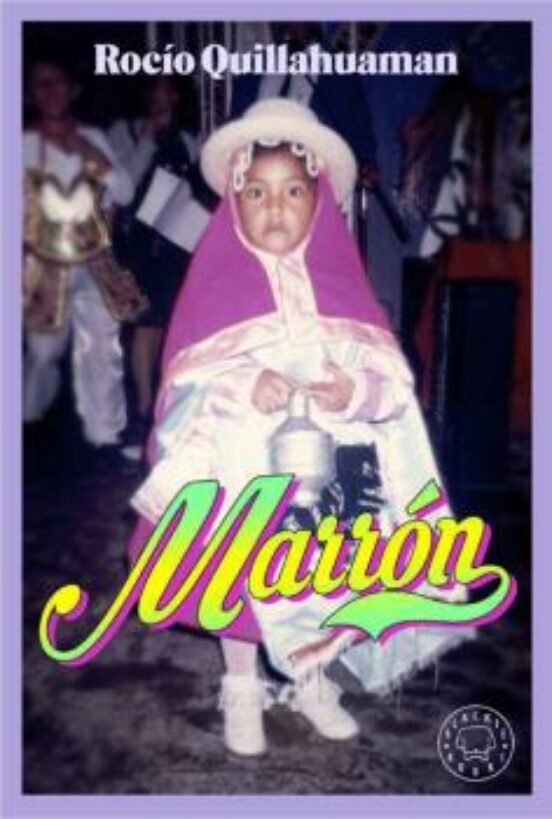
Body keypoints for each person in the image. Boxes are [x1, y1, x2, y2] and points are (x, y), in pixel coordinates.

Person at [127, 99, 469, 757]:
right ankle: (241, 684)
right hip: (241, 480)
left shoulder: (343, 287)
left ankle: (311, 679)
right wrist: (242, 384)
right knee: (237, 576)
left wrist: (355, 390)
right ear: (233, 202)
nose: (275, 207)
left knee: (325, 577)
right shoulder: (214, 288)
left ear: (318, 203)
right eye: (256, 192)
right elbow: (184, 389)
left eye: (292, 191)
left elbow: (392, 388)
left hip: (330, 482)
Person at [23, 57, 142, 451]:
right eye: (41, 84)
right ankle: (27, 421)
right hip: (43, 262)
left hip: (95, 258)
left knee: (103, 347)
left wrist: (91, 152)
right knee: (43, 351)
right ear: (31, 94)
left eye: (58, 81)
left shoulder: (92, 137)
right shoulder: (22, 144)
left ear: (73, 89)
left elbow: (124, 192)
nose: (51, 91)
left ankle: (104, 436)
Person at [108, 77, 201, 451]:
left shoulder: (188, 139)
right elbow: (120, 189)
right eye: (155, 86)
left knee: (169, 325)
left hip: (175, 244)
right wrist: (147, 138)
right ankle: (143, 413)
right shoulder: (123, 132)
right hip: (136, 244)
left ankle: (167, 410)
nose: (161, 94)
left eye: (168, 88)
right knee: (142, 327)